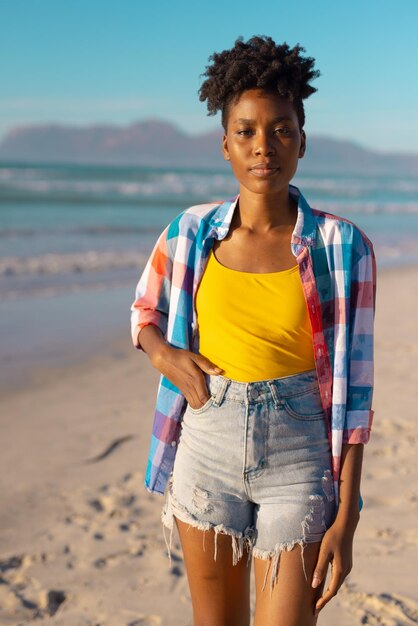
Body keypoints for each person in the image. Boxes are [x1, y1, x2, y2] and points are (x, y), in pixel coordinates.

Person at [130, 35, 376, 626]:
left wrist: (348, 514)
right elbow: (144, 311)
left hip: (302, 456)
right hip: (206, 443)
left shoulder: (343, 247)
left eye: (281, 130)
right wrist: (164, 355)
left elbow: (358, 391)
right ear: (225, 144)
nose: (263, 146)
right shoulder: (190, 233)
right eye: (246, 131)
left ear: (302, 140)